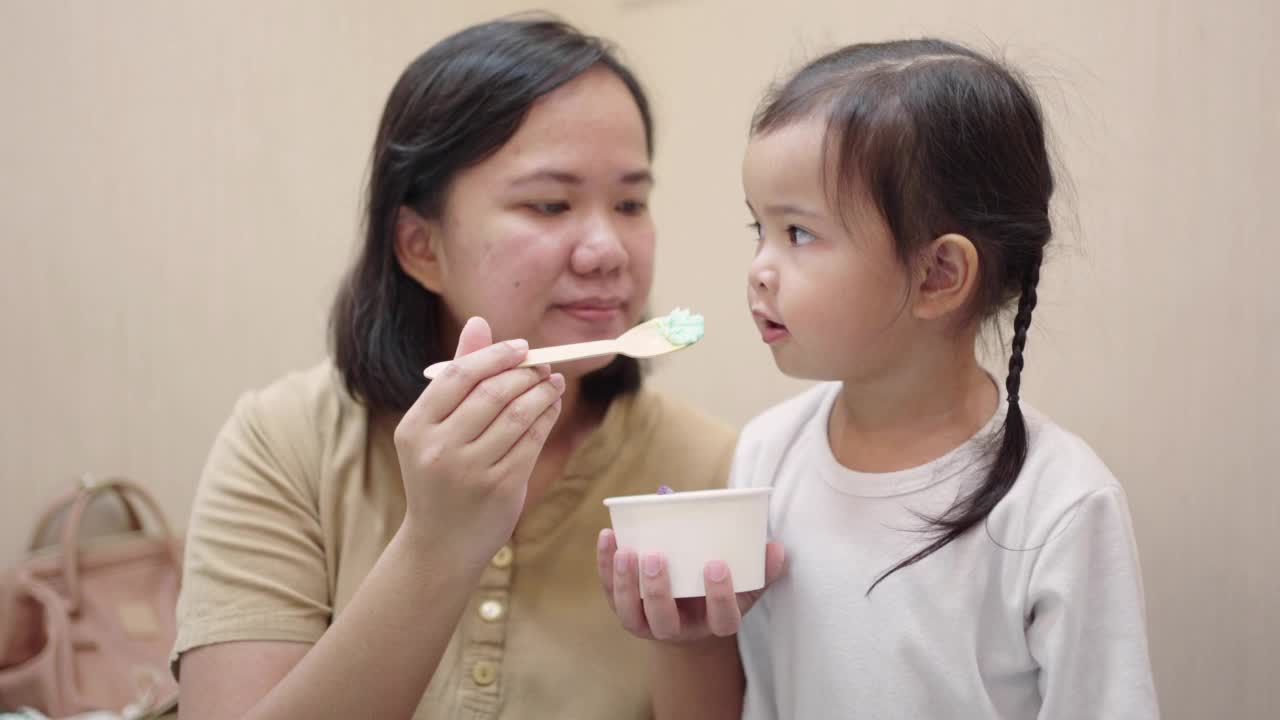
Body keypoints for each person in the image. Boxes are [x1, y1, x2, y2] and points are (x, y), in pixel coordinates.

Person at [173, 17, 734, 720]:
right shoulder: (284, 444)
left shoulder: (711, 469)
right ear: (420, 246)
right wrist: (435, 546)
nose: (607, 250)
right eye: (550, 204)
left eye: (630, 203)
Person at [599, 38, 1159, 719]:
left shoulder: (1061, 505)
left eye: (798, 234)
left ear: (938, 275)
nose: (759, 269)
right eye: (760, 229)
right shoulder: (766, 455)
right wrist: (686, 640)